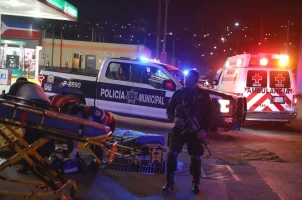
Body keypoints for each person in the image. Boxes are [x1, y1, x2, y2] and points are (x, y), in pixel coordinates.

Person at [162, 69, 212, 194]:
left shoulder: (203, 96)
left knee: (195, 157)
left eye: (188, 78)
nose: (185, 80)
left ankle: (196, 182)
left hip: (195, 131)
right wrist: (174, 118)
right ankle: (169, 182)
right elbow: (169, 110)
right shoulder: (179, 93)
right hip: (180, 129)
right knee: (171, 154)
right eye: (185, 77)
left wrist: (204, 131)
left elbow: (210, 116)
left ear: (195, 80)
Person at [7, 77, 55, 173]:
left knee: (27, 135)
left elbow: (8, 100)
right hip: (46, 109)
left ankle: (27, 164)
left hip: (29, 106)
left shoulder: (17, 85)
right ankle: (39, 159)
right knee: (42, 133)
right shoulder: (35, 85)